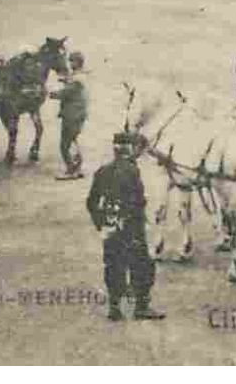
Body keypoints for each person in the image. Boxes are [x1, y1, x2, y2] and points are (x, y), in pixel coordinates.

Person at [87, 131, 163, 322]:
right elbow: (137, 202)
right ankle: (141, 307)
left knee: (114, 266)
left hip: (111, 227)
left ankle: (114, 308)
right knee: (142, 266)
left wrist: (101, 222)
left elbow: (91, 202)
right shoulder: (132, 170)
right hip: (131, 227)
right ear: (130, 149)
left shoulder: (103, 171)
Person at [50, 51, 88, 180]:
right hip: (78, 113)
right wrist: (65, 80)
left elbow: (65, 93)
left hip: (72, 114)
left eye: (72, 61)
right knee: (73, 141)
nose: (70, 63)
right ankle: (77, 169)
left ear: (77, 63)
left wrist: (49, 93)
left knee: (64, 145)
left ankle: (71, 170)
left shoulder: (77, 79)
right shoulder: (79, 75)